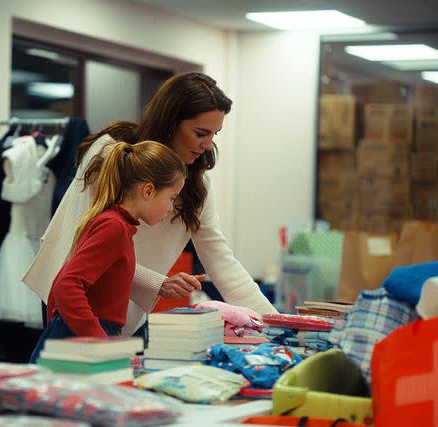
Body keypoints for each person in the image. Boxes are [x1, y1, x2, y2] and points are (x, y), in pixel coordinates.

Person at [23, 71, 278, 339]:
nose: (207, 144)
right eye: (200, 133)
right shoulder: (111, 154)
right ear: (171, 122)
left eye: (214, 134)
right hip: (75, 300)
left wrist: (274, 322)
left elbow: (220, 258)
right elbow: (84, 245)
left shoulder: (196, 183)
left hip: (123, 308)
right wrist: (159, 283)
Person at [29, 140, 187, 362]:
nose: (171, 207)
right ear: (148, 190)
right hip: (78, 343)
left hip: (78, 337)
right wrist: (99, 342)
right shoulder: (113, 227)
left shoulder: (118, 225)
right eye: (171, 198)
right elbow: (66, 285)